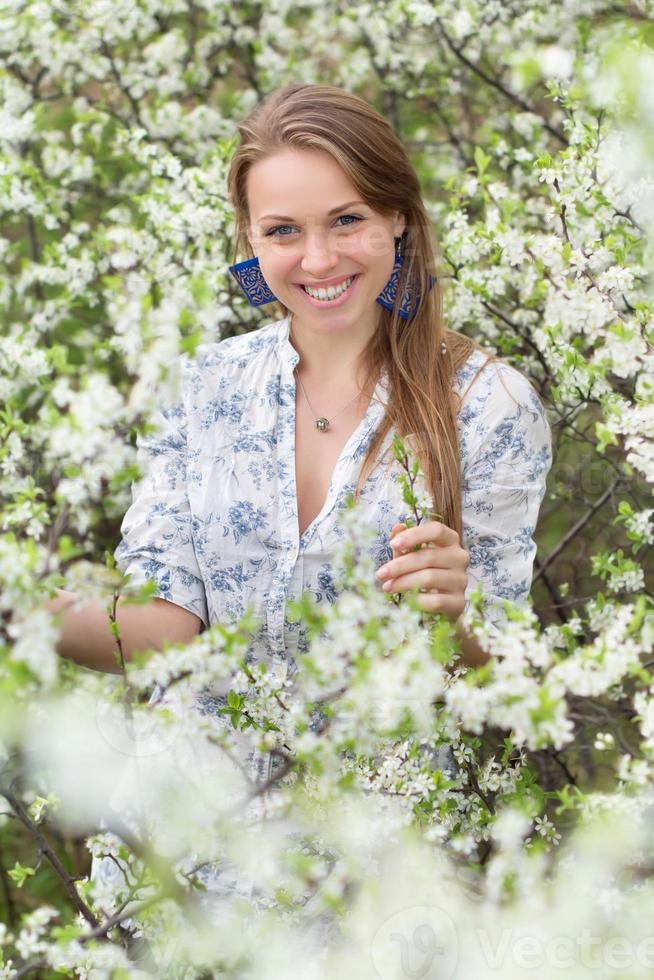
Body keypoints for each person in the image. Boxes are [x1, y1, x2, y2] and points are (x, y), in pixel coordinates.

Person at [46, 81, 552, 923]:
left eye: (346, 220)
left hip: (370, 892)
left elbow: (504, 680)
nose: (317, 260)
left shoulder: (489, 406)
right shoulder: (202, 387)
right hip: (179, 871)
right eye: (283, 231)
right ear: (251, 240)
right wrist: (24, 610)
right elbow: (162, 629)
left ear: (398, 217)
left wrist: (458, 621)